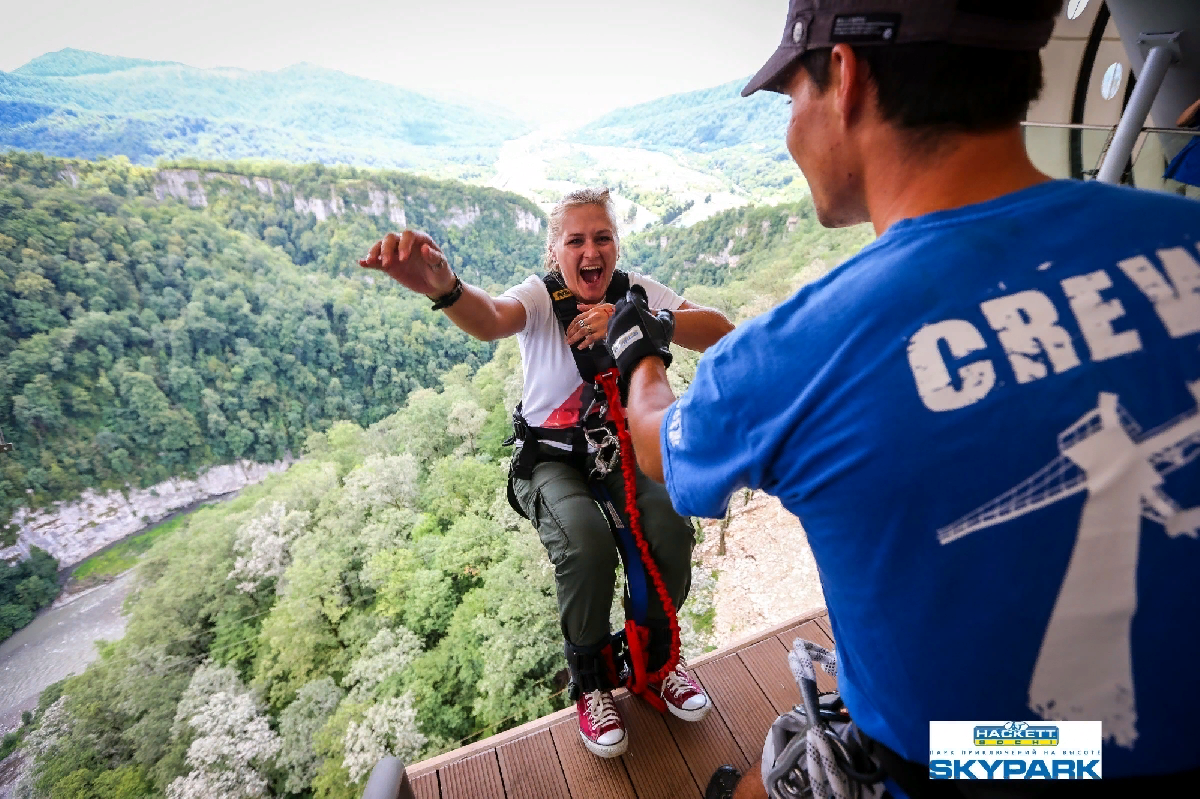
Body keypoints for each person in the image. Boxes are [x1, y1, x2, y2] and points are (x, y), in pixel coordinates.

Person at [604, 1, 1200, 796]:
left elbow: (658, 444)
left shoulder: (799, 350)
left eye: (791, 98)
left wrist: (637, 347)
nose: (790, 130)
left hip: (985, 764)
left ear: (845, 77)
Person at [358, 187, 734, 759]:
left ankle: (656, 662)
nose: (591, 251)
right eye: (575, 240)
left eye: (602, 237)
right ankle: (591, 683)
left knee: (670, 528)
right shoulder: (539, 297)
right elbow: (491, 319)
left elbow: (717, 330)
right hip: (553, 458)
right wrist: (445, 289)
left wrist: (641, 321)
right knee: (584, 545)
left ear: (615, 245)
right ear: (554, 251)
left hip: (619, 449)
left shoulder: (636, 294)